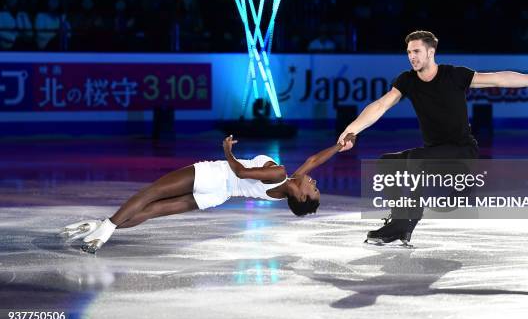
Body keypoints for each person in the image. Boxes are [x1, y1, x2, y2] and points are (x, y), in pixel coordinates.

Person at [337, 30, 528, 245]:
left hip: (462, 153)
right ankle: (399, 223)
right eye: (409, 52)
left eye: (417, 51)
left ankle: (407, 220)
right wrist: (352, 130)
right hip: (434, 154)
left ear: (431, 52)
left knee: (415, 160)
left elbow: (498, 78)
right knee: (388, 163)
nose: (412, 56)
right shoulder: (407, 81)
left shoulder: (454, 75)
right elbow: (380, 105)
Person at [61, 133, 356, 254]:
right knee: (153, 211)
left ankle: (105, 230)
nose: (313, 181)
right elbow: (316, 160)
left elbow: (240, 172)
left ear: (301, 196)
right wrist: (340, 146)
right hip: (217, 197)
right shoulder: (283, 189)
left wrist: (227, 151)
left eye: (313, 189)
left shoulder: (280, 174)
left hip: (215, 175)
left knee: (150, 194)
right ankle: (101, 225)